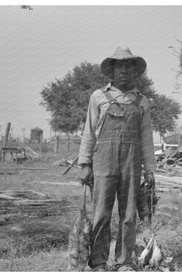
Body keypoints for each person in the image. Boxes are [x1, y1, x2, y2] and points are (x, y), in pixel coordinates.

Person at [78, 46, 156, 271]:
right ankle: (99, 261)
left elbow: (146, 139)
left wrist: (149, 169)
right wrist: (85, 164)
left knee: (129, 214)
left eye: (128, 66)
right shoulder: (98, 97)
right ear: (112, 71)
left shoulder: (141, 101)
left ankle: (125, 261)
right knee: (101, 214)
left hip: (132, 163)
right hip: (103, 162)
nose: (124, 71)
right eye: (119, 66)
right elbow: (88, 131)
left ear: (135, 71)